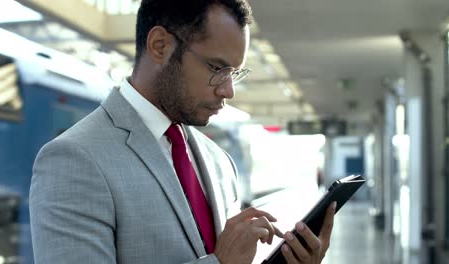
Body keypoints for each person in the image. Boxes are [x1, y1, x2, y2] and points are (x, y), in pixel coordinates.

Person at [29, 0, 336, 263]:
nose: (229, 90)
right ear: (160, 46)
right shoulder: (74, 159)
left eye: (234, 73)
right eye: (218, 68)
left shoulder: (219, 161)